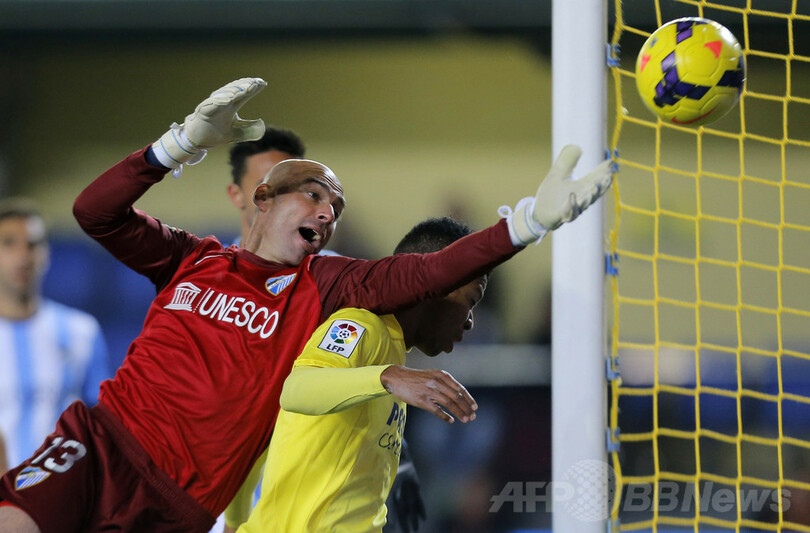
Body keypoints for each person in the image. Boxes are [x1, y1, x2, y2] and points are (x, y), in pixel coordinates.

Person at [0, 77, 612, 533]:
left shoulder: (327, 286)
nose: (327, 212)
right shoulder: (193, 259)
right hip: (104, 443)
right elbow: (94, 213)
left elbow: (431, 270)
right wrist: (180, 144)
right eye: (316, 195)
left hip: (181, 504)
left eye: (336, 208)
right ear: (263, 198)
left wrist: (527, 224)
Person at [220, 129, 426, 533]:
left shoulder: (333, 283)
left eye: (303, 188)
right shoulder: (210, 272)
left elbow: (341, 379)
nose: (276, 192)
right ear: (246, 194)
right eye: (266, 182)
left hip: (291, 492)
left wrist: (399, 462)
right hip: (205, 477)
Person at [232, 216, 487, 532]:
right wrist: (389, 377)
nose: (470, 321)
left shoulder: (392, 352)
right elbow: (296, 389)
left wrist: (234, 517)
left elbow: (269, 428)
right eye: (472, 300)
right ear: (437, 283)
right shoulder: (361, 326)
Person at [0, 199, 111, 471]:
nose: (23, 256)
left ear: (47, 253)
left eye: (33, 244)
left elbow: (101, 420)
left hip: (62, 498)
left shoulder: (81, 330)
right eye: (9, 243)